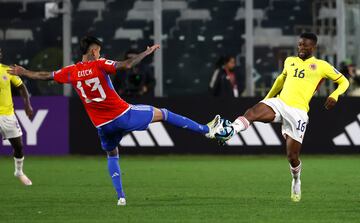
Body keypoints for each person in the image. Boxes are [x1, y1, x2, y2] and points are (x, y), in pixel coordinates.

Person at [8, 36, 222, 206]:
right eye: (99, 50)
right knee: (164, 113)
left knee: (112, 153)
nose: (100, 52)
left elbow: (45, 75)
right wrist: (146, 53)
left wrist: (23, 71)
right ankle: (206, 129)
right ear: (93, 51)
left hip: (102, 125)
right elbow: (127, 65)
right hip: (122, 115)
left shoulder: (71, 72)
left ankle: (121, 197)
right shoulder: (100, 64)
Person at [218, 33, 349, 202]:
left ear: (313, 47)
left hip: (298, 113)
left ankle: (296, 180)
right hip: (280, 103)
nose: (301, 48)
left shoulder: (322, 66)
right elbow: (280, 80)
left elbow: (344, 81)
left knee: (292, 157)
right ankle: (230, 130)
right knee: (252, 112)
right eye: (300, 44)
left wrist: (335, 95)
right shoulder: (289, 61)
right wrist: (267, 100)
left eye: (305, 46)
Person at [0, 48, 34, 186]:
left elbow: (21, 87)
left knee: (18, 146)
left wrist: (27, 105)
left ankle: (19, 172)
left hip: (7, 115)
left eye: (0, 51)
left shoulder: (7, 70)